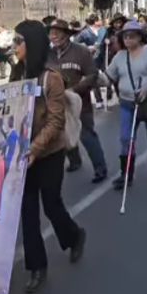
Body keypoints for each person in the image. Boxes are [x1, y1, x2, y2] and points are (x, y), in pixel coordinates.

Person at [9, 19, 87, 294]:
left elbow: (56, 122)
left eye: (18, 41)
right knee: (27, 210)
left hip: (49, 152)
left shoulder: (50, 77)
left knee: (51, 205)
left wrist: (35, 149)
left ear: (32, 44)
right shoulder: (17, 74)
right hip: (23, 154)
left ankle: (74, 236)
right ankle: (36, 267)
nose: (13, 47)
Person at [105, 20, 147, 190]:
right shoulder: (119, 56)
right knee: (126, 138)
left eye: (132, 35)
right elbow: (109, 76)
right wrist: (96, 78)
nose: (128, 39)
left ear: (140, 37)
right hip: (127, 102)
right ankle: (126, 174)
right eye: (125, 36)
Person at [47, 18, 108, 183]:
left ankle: (100, 168)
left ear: (66, 35)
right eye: (51, 33)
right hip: (56, 103)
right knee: (63, 134)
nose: (54, 36)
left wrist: (74, 90)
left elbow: (92, 74)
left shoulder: (80, 52)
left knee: (87, 134)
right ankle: (74, 161)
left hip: (79, 101)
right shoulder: (48, 54)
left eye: (57, 33)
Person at [94, 13, 128, 108]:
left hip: (124, 57)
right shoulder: (109, 32)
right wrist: (106, 42)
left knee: (120, 79)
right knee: (110, 79)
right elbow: (102, 46)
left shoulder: (125, 31)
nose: (118, 24)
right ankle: (109, 97)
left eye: (120, 22)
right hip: (111, 58)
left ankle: (121, 97)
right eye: (116, 23)